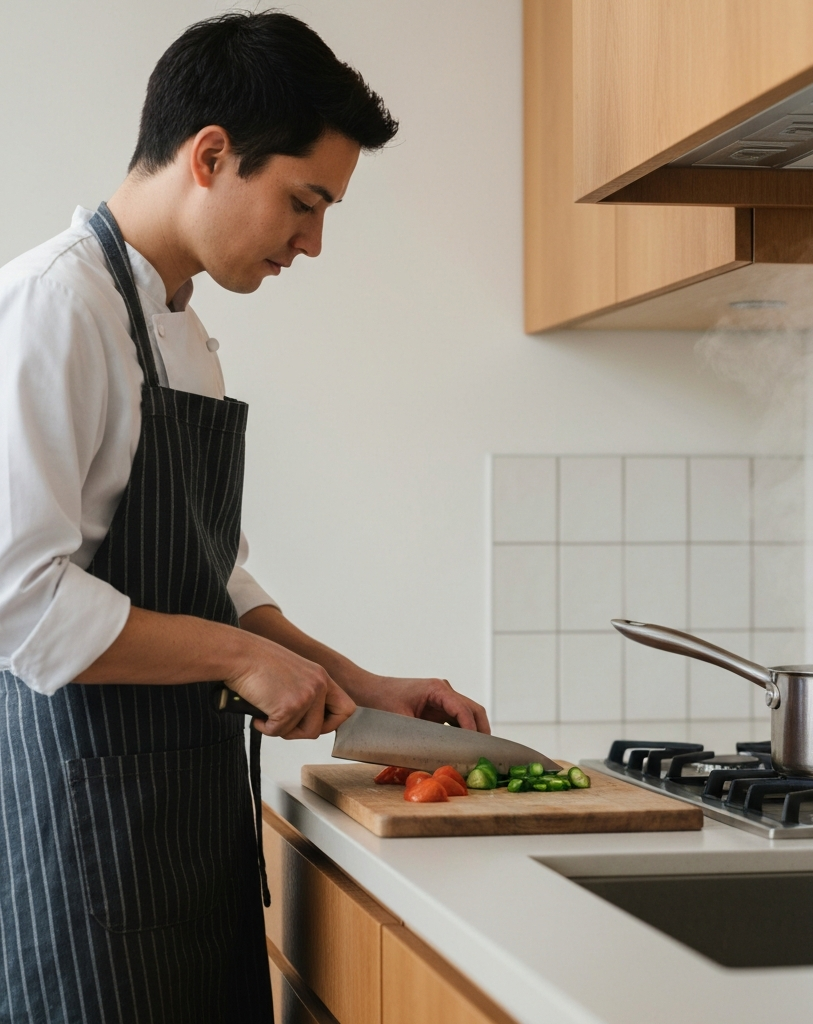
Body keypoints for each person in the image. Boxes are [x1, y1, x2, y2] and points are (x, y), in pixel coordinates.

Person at [0, 11, 489, 1023]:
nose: (311, 241)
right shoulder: (55, 309)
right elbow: (19, 601)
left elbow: (210, 571)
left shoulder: (184, 328)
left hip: (185, 833)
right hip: (83, 844)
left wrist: (362, 683)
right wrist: (235, 660)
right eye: (303, 202)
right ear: (211, 156)